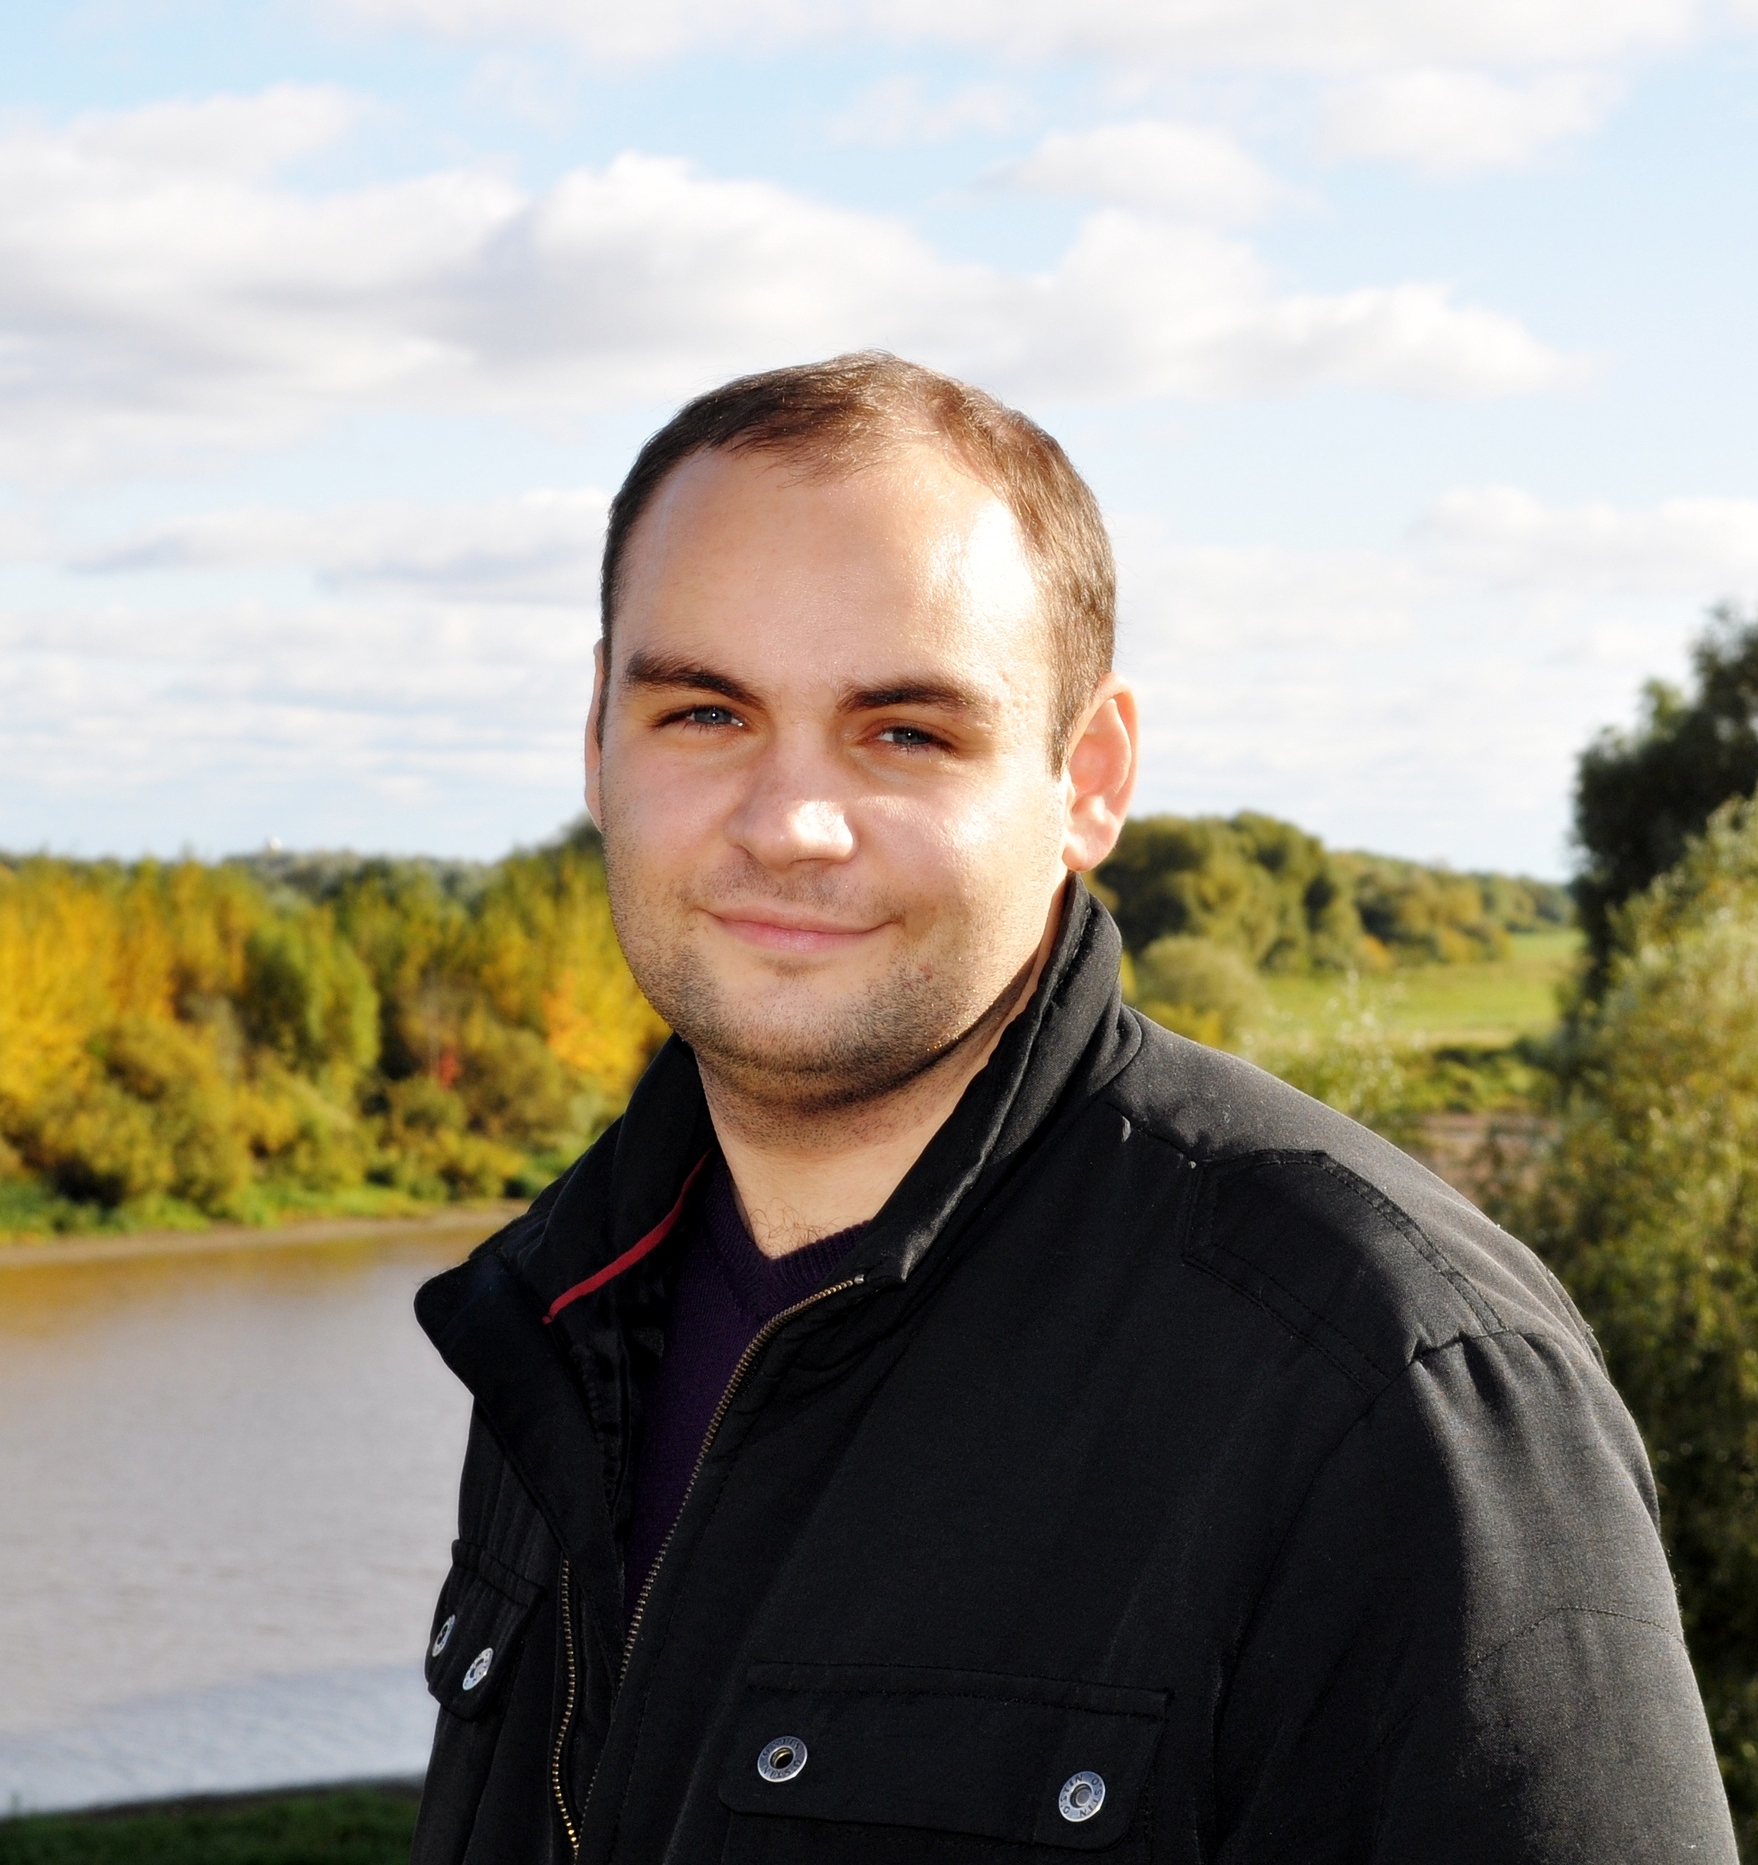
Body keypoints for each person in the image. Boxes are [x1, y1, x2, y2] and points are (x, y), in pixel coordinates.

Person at [410, 353, 1735, 1864]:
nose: (790, 825)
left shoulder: (1391, 1382)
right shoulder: (561, 1317)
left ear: (1088, 779)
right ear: (598, 736)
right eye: (706, 713)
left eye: (906, 732)